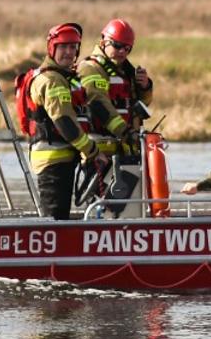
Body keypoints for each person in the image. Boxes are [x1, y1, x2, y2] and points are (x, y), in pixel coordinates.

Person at [23, 22, 100, 220]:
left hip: (63, 157)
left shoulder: (64, 77)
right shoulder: (51, 80)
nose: (68, 52)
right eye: (63, 47)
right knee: (55, 218)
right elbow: (64, 122)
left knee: (60, 215)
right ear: (52, 48)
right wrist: (91, 150)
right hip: (53, 159)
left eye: (73, 47)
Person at [78, 18, 155, 215]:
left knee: (128, 206)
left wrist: (144, 87)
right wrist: (125, 131)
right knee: (100, 205)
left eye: (127, 48)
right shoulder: (90, 68)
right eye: (118, 46)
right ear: (104, 41)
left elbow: (141, 103)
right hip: (100, 149)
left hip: (126, 147)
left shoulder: (126, 71)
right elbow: (98, 103)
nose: (122, 52)